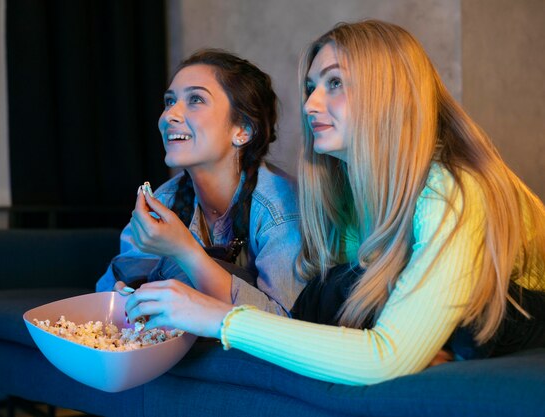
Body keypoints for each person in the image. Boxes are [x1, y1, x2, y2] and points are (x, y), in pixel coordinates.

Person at [123, 20, 545, 385]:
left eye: (335, 83)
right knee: (330, 291)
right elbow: (325, 315)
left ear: (388, 93)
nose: (310, 105)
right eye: (310, 88)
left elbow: (386, 354)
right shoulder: (342, 190)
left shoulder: (449, 190)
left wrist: (215, 317)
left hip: (514, 315)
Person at [96, 49, 304, 316]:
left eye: (195, 99)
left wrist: (184, 250)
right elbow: (110, 288)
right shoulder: (167, 199)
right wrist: (125, 294)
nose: (169, 115)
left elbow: (284, 323)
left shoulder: (280, 206)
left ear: (242, 131)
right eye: (169, 101)